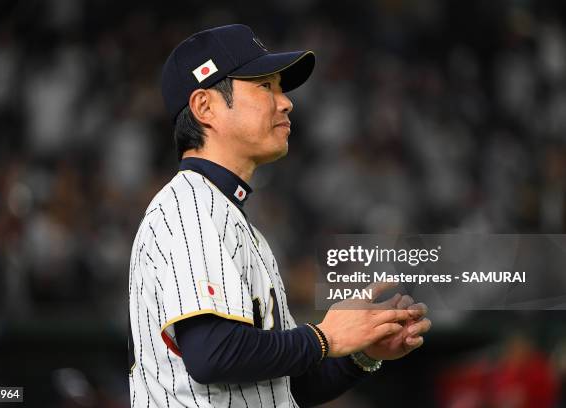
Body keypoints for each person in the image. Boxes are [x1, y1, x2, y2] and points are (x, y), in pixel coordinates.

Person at [128, 24, 431, 408]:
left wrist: (363, 352)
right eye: (264, 86)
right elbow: (212, 354)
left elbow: (285, 388)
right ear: (205, 107)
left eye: (280, 88)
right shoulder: (188, 208)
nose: (285, 102)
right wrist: (325, 337)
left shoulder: (234, 221)